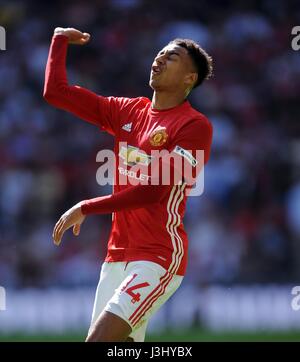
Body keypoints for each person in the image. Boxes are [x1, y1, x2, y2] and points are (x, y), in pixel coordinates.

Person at [43, 27, 213, 342]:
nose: (159, 59)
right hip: (115, 257)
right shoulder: (127, 111)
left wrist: (85, 207)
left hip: (158, 257)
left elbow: (154, 191)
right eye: (160, 53)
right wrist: (59, 41)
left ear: (190, 78)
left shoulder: (194, 126)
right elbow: (56, 92)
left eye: (171, 56)